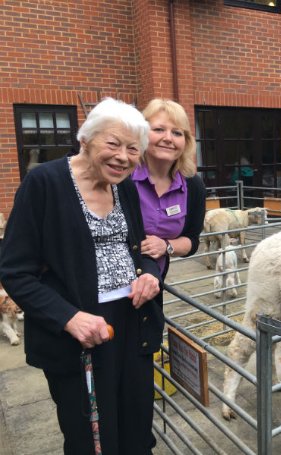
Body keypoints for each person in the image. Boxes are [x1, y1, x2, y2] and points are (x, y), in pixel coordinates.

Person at [0, 98, 163, 454]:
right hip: (79, 336)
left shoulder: (126, 188)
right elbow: (15, 269)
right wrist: (67, 317)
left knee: (136, 430)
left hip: (132, 326)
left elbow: (141, 249)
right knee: (89, 438)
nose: (123, 156)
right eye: (113, 144)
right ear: (85, 139)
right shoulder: (44, 183)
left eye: (133, 149)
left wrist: (150, 275)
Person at [132, 99, 205, 277]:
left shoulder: (192, 185)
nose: (168, 138)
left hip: (153, 284)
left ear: (186, 142)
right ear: (142, 134)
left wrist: (166, 246)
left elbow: (192, 240)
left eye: (177, 133)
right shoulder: (122, 177)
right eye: (159, 129)